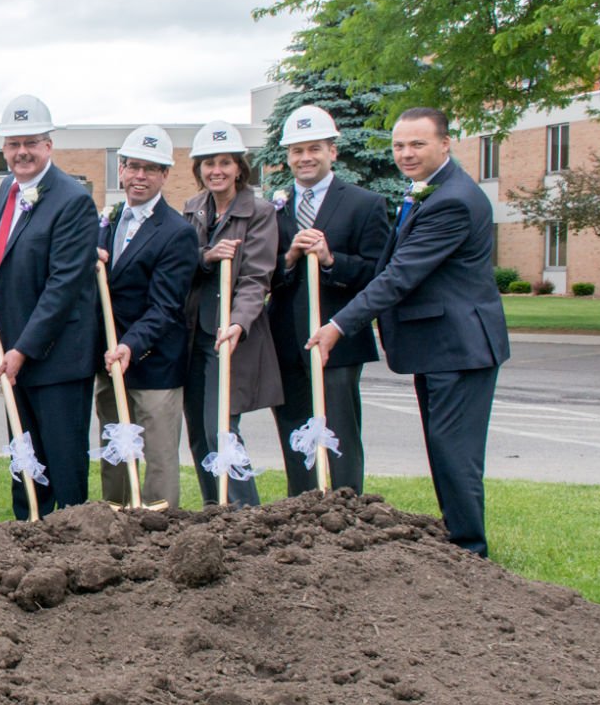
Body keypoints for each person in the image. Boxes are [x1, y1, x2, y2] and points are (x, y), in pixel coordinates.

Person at [312, 107, 510, 556]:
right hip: (440, 348)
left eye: (417, 144)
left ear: (445, 143)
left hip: (460, 347)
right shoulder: (427, 192)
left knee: (454, 453)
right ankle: (459, 536)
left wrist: (339, 325)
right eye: (399, 145)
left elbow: (401, 275)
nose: (406, 153)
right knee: (443, 449)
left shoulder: (453, 201)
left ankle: (470, 548)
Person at [0, 94, 100, 517]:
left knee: (62, 467)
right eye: (12, 144)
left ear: (49, 145)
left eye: (31, 142)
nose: (21, 152)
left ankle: (74, 550)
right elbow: (10, 247)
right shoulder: (9, 188)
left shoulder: (72, 200)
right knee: (25, 462)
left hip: (55, 358)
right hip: (13, 354)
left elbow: (63, 286)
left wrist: (23, 350)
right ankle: (27, 541)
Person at [268, 105, 391, 496]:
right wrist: (288, 259)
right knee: (294, 430)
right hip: (287, 342)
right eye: (297, 151)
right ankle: (300, 511)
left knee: (338, 431)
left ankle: (344, 510)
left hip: (338, 342)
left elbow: (378, 275)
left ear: (332, 151)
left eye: (314, 148)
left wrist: (330, 259)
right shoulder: (275, 208)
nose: (305, 158)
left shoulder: (363, 203)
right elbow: (260, 276)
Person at [93, 125, 200, 508]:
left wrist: (130, 345)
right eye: (133, 167)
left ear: (165, 175)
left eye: (150, 169)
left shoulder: (176, 233)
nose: (140, 176)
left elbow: (166, 307)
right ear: (121, 169)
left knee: (157, 459)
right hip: (110, 361)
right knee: (116, 455)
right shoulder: (107, 223)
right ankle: (117, 525)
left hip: (153, 364)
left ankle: (160, 534)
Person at [182, 120, 282, 507]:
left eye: (225, 162)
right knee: (197, 432)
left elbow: (257, 277)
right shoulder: (193, 209)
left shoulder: (258, 212)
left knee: (220, 428)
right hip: (194, 333)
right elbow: (181, 264)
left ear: (240, 167)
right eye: (208, 163)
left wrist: (239, 321)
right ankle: (214, 508)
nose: (216, 170)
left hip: (229, 334)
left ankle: (243, 512)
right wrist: (206, 256)